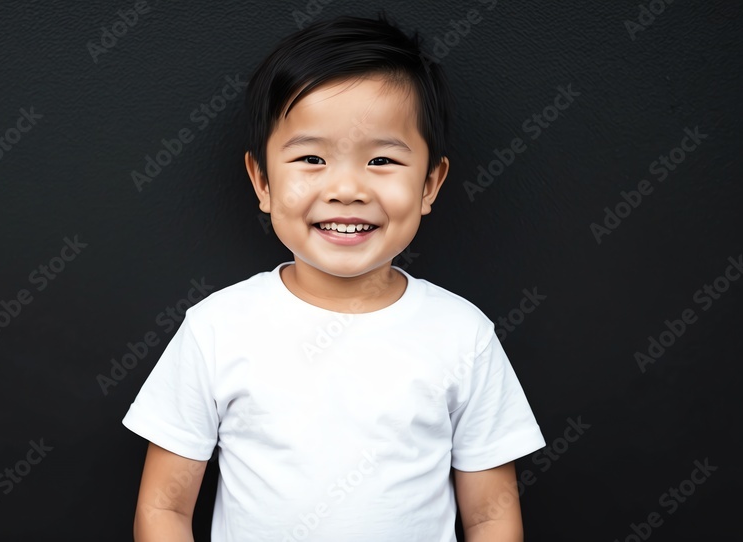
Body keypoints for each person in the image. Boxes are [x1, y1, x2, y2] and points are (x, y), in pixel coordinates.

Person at [122, 11, 545, 542]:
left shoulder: (463, 335)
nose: (346, 190)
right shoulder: (217, 328)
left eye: (382, 161)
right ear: (262, 181)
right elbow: (163, 509)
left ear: (429, 184)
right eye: (311, 158)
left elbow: (490, 517)